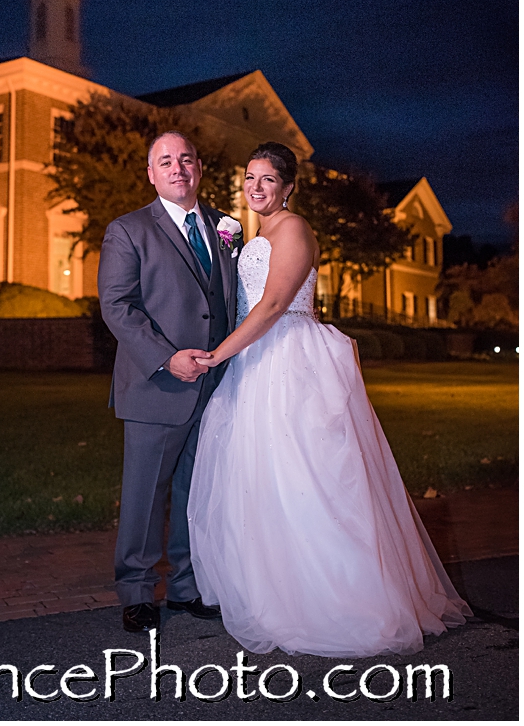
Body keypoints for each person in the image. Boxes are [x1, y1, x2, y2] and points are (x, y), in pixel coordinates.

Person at [186, 142, 468, 656]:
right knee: (260, 478)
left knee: (308, 474)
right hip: (255, 362)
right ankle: (276, 591)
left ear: (289, 186)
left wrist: (216, 354)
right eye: (250, 177)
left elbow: (273, 305)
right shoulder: (254, 234)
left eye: (268, 179)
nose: (255, 187)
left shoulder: (293, 229)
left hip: (289, 360)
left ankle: (341, 598)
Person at [97, 130, 238, 633]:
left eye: (185, 159)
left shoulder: (225, 227)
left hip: (216, 383)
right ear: (151, 174)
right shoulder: (129, 230)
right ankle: (136, 591)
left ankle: (185, 586)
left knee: (196, 491)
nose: (177, 168)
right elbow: (117, 305)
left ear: (198, 167)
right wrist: (166, 357)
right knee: (145, 493)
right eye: (165, 161)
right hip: (157, 384)